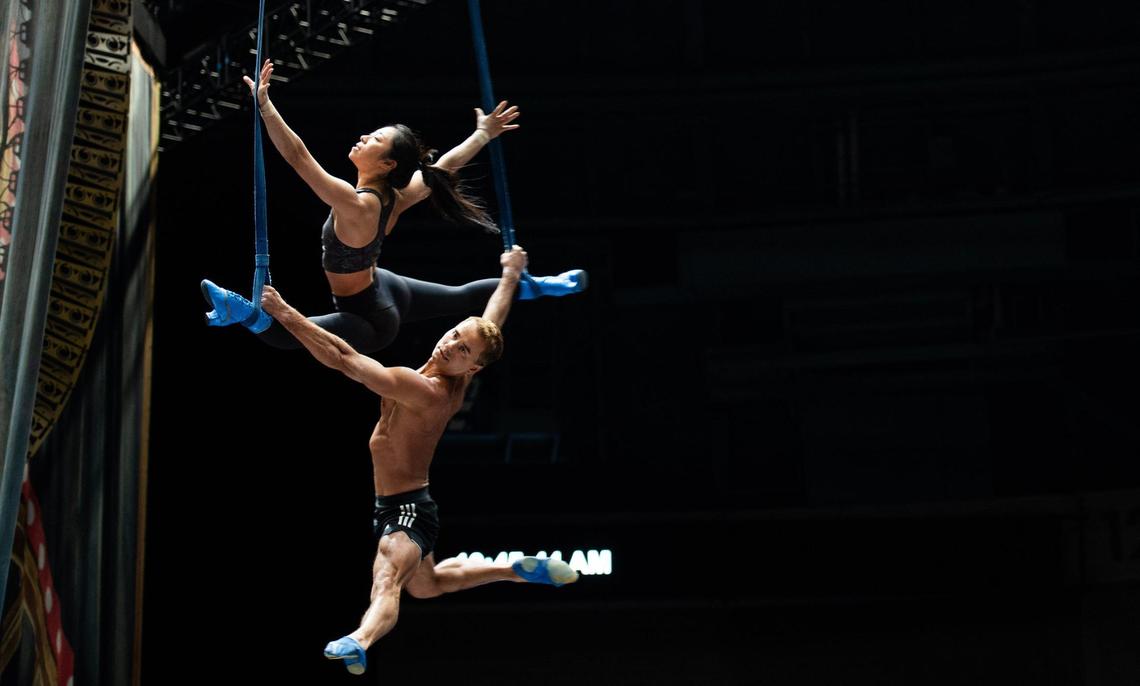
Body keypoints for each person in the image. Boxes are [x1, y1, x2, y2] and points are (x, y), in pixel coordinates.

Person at [259, 245, 578, 676]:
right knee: (426, 587)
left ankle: (359, 639)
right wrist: (509, 275)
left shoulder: (423, 389)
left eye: (463, 351)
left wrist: (284, 313)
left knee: (387, 582)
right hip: (412, 505)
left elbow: (345, 358)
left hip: (404, 511)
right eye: (454, 336)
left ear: (472, 369)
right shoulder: (452, 377)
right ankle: (513, 570)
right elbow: (492, 319)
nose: (450, 347)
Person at [201, 58, 585, 352]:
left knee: (289, 333)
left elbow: (299, 158)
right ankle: (534, 286)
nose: (365, 136)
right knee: (460, 296)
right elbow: (443, 167)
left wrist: (266, 106)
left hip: (368, 319)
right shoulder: (395, 196)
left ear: (388, 164)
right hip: (383, 288)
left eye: (375, 140)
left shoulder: (356, 205)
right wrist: (482, 134)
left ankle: (243, 312)